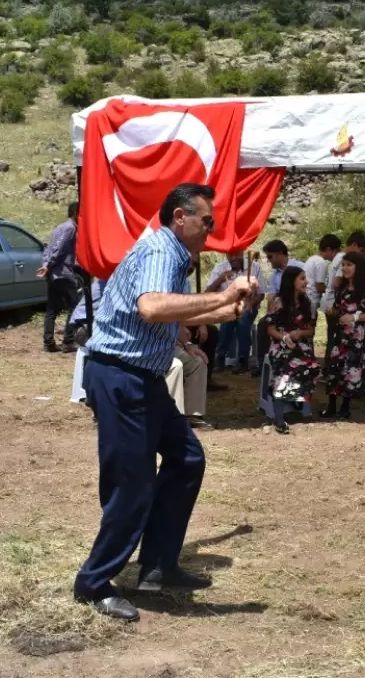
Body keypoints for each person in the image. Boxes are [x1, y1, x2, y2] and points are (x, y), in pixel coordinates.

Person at [73, 183, 255, 622]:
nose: (210, 228)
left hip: (143, 377)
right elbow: (153, 307)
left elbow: (172, 314)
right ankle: (94, 582)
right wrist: (224, 296)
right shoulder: (162, 252)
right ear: (180, 217)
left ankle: (157, 565)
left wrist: (227, 312)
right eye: (205, 220)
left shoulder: (173, 255)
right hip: (120, 376)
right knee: (131, 482)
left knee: (186, 458)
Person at [263, 266, 322, 433]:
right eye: (302, 278)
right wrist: (284, 337)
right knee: (288, 365)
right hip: (280, 343)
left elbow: (311, 331)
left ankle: (297, 399)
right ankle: (279, 417)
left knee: (313, 368)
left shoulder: (306, 302)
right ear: (292, 281)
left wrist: (300, 333)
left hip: (300, 344)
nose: (306, 282)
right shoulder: (277, 302)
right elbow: (270, 329)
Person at [323, 251, 365, 420]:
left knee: (351, 371)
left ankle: (345, 407)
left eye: (349, 265)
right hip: (339, 336)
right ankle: (331, 406)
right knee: (334, 368)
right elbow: (338, 309)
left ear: (358, 268)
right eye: (343, 264)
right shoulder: (342, 289)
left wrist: (354, 317)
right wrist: (333, 311)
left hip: (355, 338)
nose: (345, 268)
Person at [207, 252, 265, 373]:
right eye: (230, 255)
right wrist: (220, 279)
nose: (234, 258)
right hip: (227, 306)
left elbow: (261, 294)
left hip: (249, 305)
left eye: (237, 254)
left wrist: (250, 303)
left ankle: (243, 359)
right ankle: (220, 356)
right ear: (226, 255)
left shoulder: (254, 267)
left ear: (243, 251)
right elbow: (208, 292)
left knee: (243, 318)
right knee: (230, 316)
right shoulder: (220, 268)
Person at [253, 240, 304, 377]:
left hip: (299, 310)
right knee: (263, 324)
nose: (269, 261)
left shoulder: (299, 267)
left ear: (281, 253)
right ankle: (264, 363)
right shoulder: (275, 275)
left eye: (270, 256)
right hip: (281, 311)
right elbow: (272, 297)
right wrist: (270, 314)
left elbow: (306, 291)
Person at [38, 201, 79, 353]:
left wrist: (46, 264)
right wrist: (48, 264)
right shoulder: (70, 228)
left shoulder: (59, 227)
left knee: (52, 309)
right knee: (75, 305)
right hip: (63, 273)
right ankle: (68, 340)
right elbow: (58, 249)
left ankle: (48, 342)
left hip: (53, 273)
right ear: (76, 213)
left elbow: (48, 247)